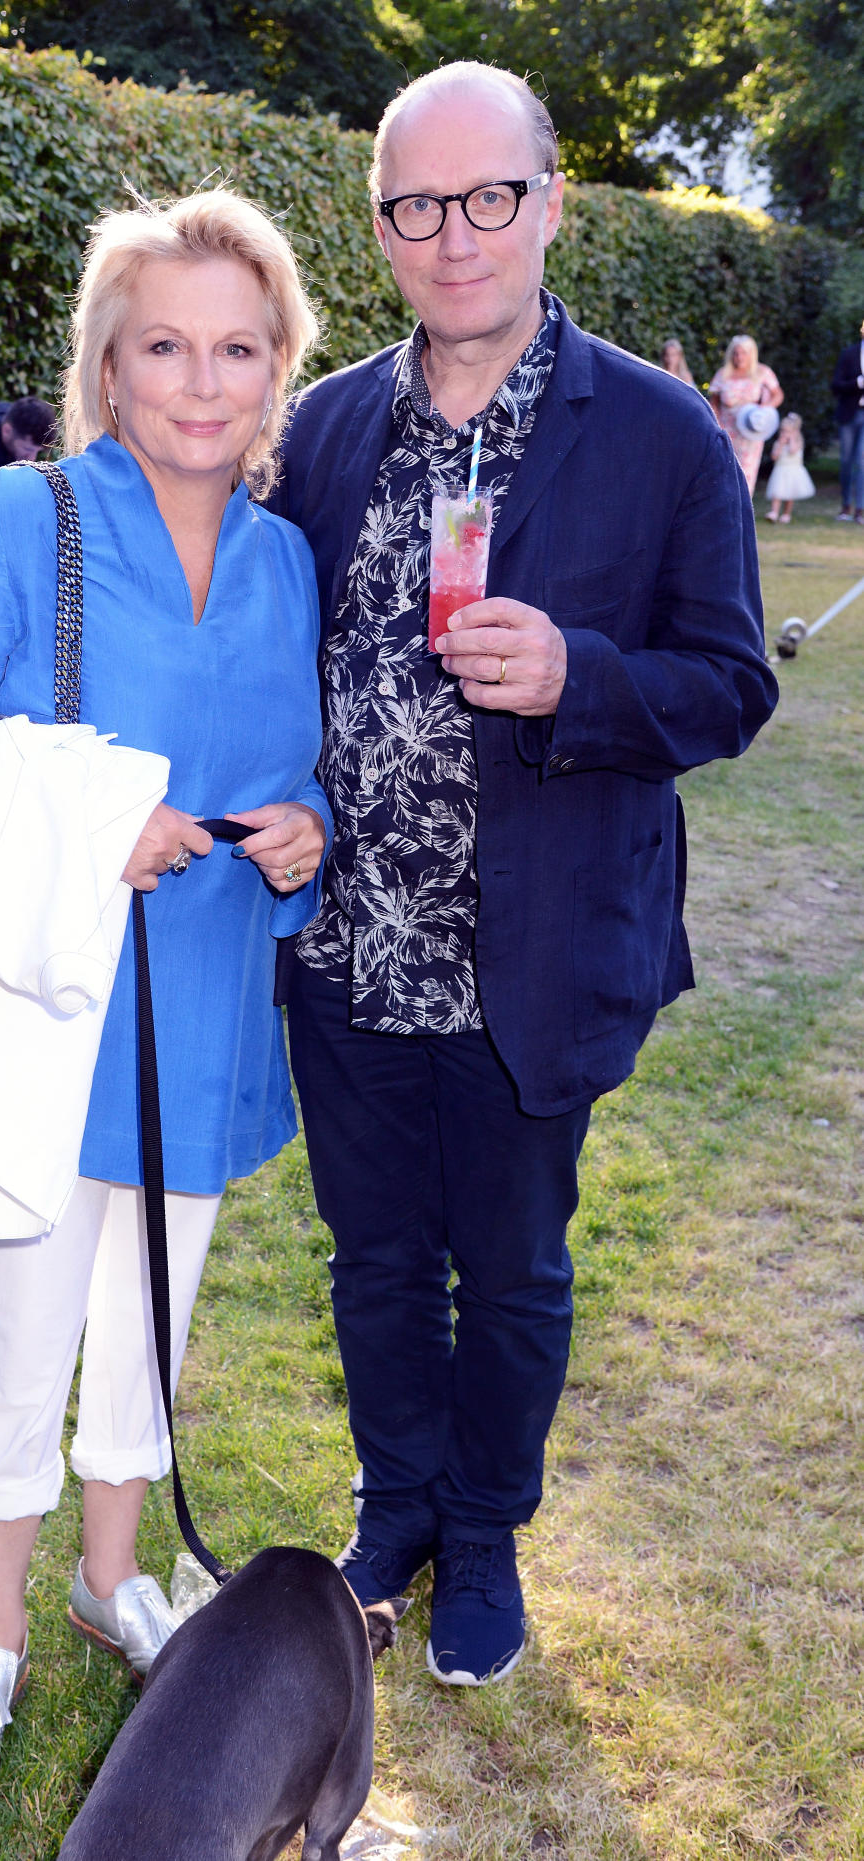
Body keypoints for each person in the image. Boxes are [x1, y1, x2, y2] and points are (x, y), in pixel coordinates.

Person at [269, 62, 778, 1690]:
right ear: (380, 231)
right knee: (371, 1262)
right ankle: (397, 1505)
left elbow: (728, 684)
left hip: (531, 955)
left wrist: (578, 675)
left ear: (549, 203)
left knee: (511, 1268)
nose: (454, 234)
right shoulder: (327, 426)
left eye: (489, 196)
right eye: (416, 205)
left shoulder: (657, 433)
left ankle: (483, 1533)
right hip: (347, 945)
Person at [0, 189, 328, 1808]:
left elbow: (303, 773)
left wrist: (304, 836)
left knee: (147, 1330)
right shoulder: (9, 524)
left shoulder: (284, 563)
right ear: (106, 369)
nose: (202, 380)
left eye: (237, 349)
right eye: (164, 346)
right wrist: (85, 820)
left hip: (205, 1024)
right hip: (46, 1022)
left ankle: (114, 1576)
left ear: (277, 374)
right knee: (22, 1331)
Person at [708, 333, 783, 496]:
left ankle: (744, 514)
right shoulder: (723, 374)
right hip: (727, 430)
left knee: (747, 473)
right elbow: (714, 403)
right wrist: (717, 424)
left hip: (751, 431)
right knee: (726, 471)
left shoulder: (762, 372)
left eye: (743, 353)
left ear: (751, 354)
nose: (739, 357)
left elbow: (778, 395)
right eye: (736, 353)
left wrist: (765, 408)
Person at [830, 315, 864, 522]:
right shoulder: (849, 354)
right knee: (846, 461)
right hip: (849, 414)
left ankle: (860, 509)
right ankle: (845, 507)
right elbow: (836, 385)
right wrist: (857, 383)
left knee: (862, 461)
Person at [764, 414, 816, 523]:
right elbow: (774, 456)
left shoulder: (798, 442)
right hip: (780, 471)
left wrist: (792, 439)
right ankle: (774, 512)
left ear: (795, 432)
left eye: (788, 432)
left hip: (793, 472)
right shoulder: (778, 443)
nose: (784, 434)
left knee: (789, 495)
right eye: (783, 431)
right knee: (776, 493)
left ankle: (786, 514)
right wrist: (780, 444)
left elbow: (792, 451)